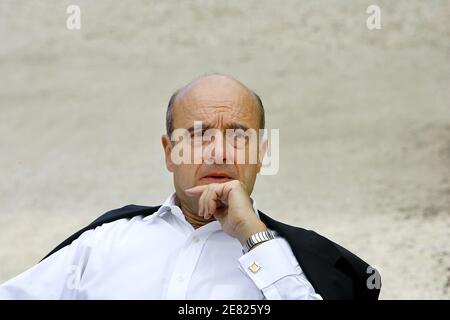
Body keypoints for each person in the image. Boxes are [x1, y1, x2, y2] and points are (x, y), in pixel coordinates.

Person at [0, 74, 380, 299]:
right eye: (198, 135)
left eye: (238, 136)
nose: (218, 152)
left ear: (261, 154)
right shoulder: (101, 245)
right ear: (170, 153)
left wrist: (253, 238)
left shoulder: (297, 262)